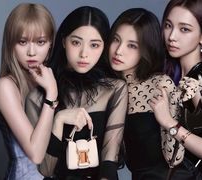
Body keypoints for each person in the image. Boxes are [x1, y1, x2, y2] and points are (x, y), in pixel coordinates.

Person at [26, 6, 128, 180]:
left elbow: (109, 159)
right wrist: (59, 120)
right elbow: (46, 170)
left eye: (94, 45)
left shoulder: (115, 89)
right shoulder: (37, 98)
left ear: (104, 47)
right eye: (76, 42)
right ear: (64, 41)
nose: (84, 54)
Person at [149, 0, 202, 179]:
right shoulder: (183, 77)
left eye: (184, 29)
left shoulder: (199, 84)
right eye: (168, 26)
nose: (172, 36)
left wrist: (169, 123)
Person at [107, 8, 181, 180]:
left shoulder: (160, 84)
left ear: (146, 49)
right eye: (116, 40)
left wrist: (168, 121)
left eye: (132, 45)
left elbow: (174, 158)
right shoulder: (107, 88)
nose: (118, 51)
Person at [0, 3, 57, 180]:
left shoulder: (47, 81)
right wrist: (51, 94)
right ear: (11, 44)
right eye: (22, 42)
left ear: (51, 44)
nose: (31, 52)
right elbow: (36, 154)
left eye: (40, 42)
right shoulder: (5, 87)